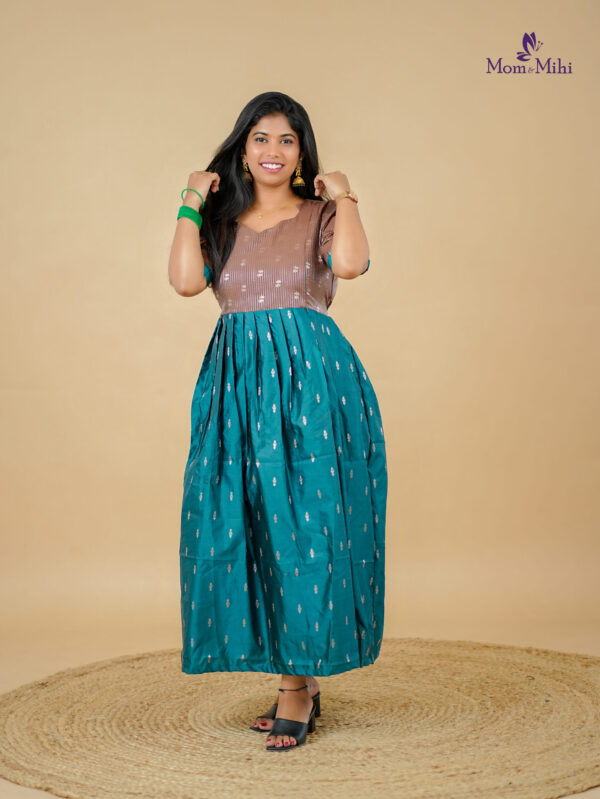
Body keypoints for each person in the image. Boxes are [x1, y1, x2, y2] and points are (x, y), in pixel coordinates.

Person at [167, 91, 388, 752]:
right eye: (260, 138)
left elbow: (349, 265)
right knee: (250, 525)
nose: (273, 150)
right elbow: (185, 282)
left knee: (305, 528)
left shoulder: (321, 215)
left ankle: (296, 687)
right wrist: (190, 200)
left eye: (287, 139)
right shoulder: (219, 221)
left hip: (314, 388)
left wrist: (345, 196)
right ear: (242, 149)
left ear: (301, 152)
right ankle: (299, 677)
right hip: (237, 389)